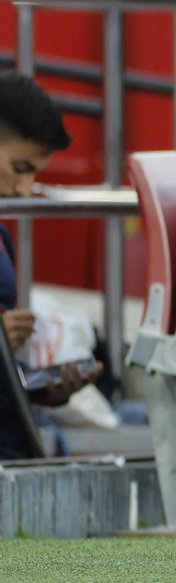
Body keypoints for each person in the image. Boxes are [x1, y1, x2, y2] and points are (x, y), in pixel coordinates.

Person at [0, 72, 101, 461]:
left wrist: (43, 387)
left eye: (35, 173)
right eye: (20, 167)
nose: (26, 190)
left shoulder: (3, 237)